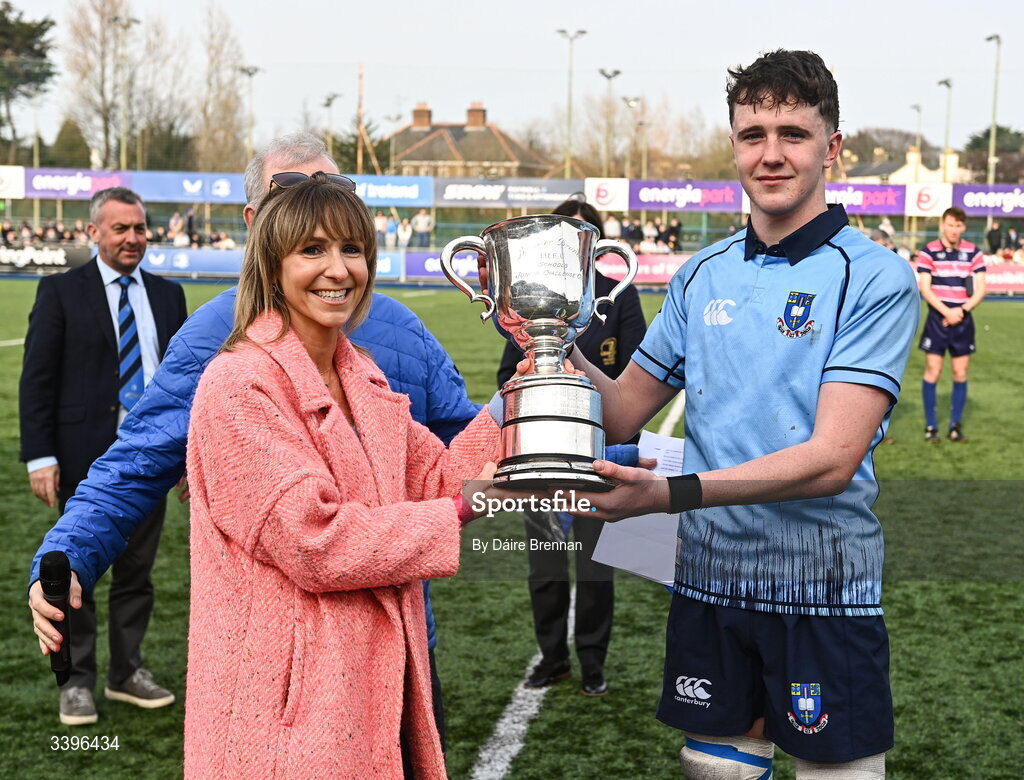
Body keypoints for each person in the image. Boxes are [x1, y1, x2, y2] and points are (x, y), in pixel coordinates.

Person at [28, 133, 481, 743]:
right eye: (293, 192)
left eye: (337, 191)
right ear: (255, 222)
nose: (320, 208)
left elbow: (463, 446)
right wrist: (68, 554)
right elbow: (134, 463)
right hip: (291, 677)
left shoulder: (397, 327)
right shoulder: (218, 340)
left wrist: (603, 449)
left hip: (401, 645)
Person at [548, 50, 918, 777]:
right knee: (714, 770)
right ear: (734, 146)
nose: (771, 154)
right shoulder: (701, 274)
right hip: (710, 583)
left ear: (832, 150)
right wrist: (552, 344)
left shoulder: (873, 276)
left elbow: (830, 458)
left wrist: (667, 496)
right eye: (753, 134)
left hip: (820, 588)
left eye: (793, 133)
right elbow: (622, 413)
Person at [184, 172, 505, 776]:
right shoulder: (238, 385)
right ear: (272, 265)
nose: (338, 270)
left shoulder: (363, 376)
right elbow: (316, 541)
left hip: (373, 690)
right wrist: (461, 509)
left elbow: (437, 477)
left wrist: (525, 391)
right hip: (283, 723)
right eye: (313, 249)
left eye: (352, 249)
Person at [20, 187, 189, 725]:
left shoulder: (168, 294)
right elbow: (37, 379)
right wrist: (40, 455)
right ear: (94, 232)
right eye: (121, 229)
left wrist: (186, 456)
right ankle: (77, 682)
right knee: (76, 575)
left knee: (137, 574)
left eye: (140, 229)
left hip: (153, 459)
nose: (134, 238)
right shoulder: (61, 292)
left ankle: (126, 673)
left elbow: (185, 385)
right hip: (82, 459)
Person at [496, 194, 648, 697]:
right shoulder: (527, 303)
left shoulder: (615, 298)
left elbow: (634, 382)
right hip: (540, 453)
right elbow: (507, 375)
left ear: (593, 246)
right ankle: (552, 657)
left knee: (595, 564)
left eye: (580, 233)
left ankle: (592, 660)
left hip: (597, 455)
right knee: (545, 563)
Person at [917, 206, 986, 443]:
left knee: (960, 372)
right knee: (933, 372)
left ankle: (955, 426)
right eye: (950, 224)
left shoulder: (974, 252)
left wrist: (961, 311)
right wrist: (947, 311)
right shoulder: (929, 252)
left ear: (963, 227)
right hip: (938, 319)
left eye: (958, 225)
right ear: (942, 225)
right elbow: (925, 288)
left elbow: (981, 288)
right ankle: (931, 427)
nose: (954, 229)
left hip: (963, 320)